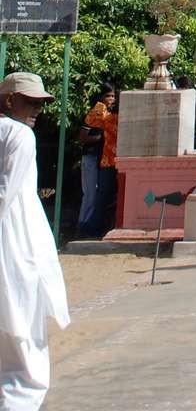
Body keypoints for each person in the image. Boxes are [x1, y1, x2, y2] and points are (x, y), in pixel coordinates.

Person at [0, 73, 69, 409]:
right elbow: (6, 193)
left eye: (40, 103)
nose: (37, 110)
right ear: (9, 99)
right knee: (23, 326)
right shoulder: (19, 135)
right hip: (17, 237)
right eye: (31, 102)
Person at [77, 81, 118, 237]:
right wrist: (101, 137)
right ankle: (83, 226)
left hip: (101, 157)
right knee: (90, 195)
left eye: (113, 96)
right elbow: (82, 137)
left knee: (97, 194)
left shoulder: (107, 112)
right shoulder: (96, 112)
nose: (111, 99)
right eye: (108, 96)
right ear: (101, 96)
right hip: (91, 156)